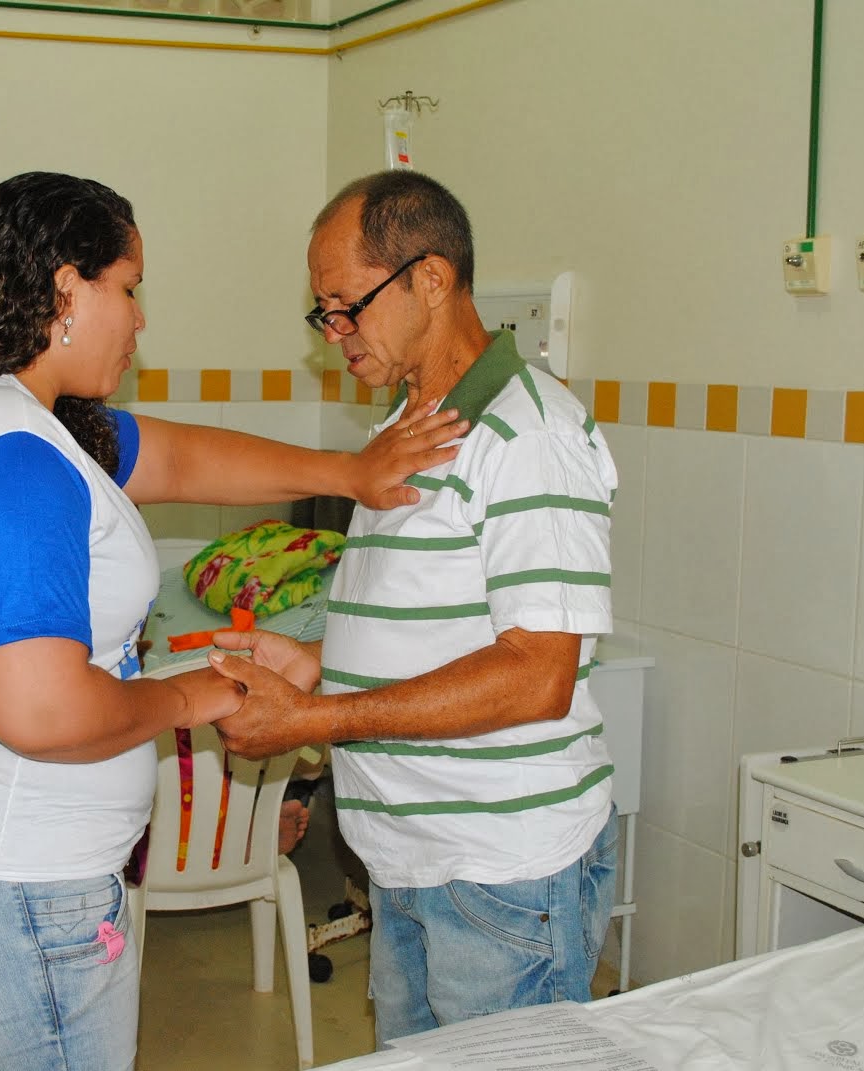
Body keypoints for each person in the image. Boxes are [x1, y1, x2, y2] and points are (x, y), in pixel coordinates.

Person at [0, 171, 466, 1071]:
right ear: (62, 288)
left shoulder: (12, 420)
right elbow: (40, 710)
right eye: (127, 288)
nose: (139, 318)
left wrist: (347, 473)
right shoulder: (9, 455)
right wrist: (197, 694)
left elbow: (179, 456)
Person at [208, 170, 621, 1044]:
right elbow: (434, 619)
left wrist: (318, 715)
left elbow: (536, 675)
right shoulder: (409, 425)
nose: (334, 333)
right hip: (409, 856)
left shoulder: (530, 436)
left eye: (346, 305)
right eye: (323, 311)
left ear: (430, 279)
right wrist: (320, 661)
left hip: (500, 870)